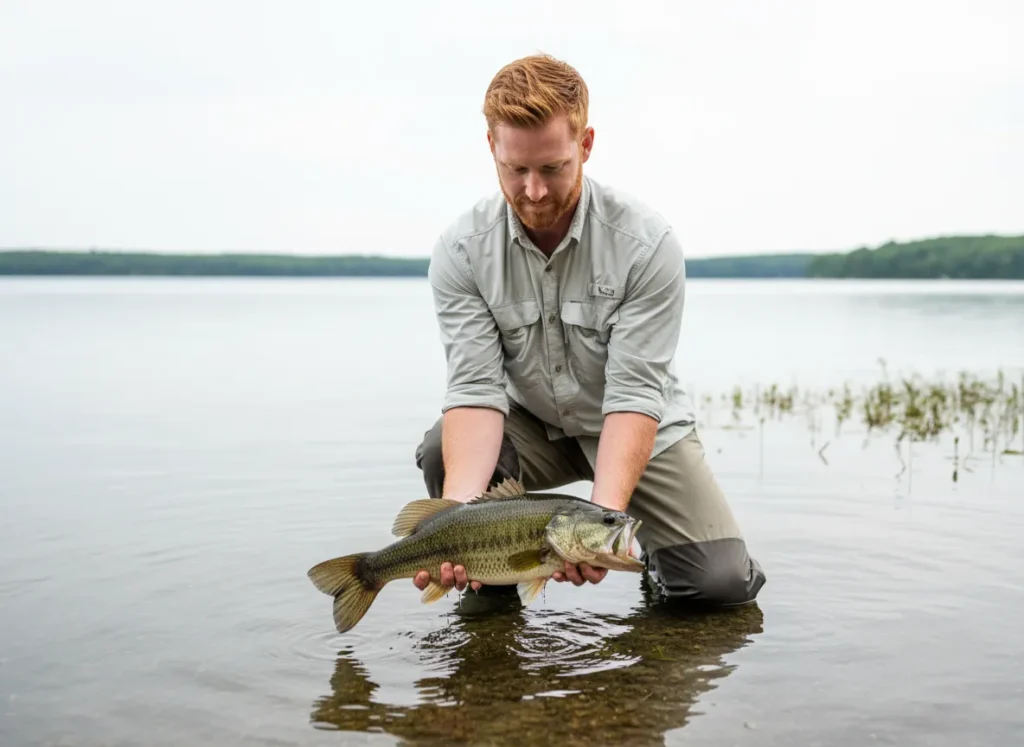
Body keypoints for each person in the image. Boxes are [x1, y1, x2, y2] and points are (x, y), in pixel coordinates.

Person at [411, 53, 766, 607]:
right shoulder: (461, 251)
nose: (533, 192)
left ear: (586, 144)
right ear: (491, 149)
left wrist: (602, 526)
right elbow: (477, 394)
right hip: (530, 428)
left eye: (552, 168)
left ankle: (655, 561)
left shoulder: (646, 244)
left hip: (633, 427)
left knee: (718, 588)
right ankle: (490, 585)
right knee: (440, 451)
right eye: (515, 169)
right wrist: (457, 521)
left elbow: (633, 396)